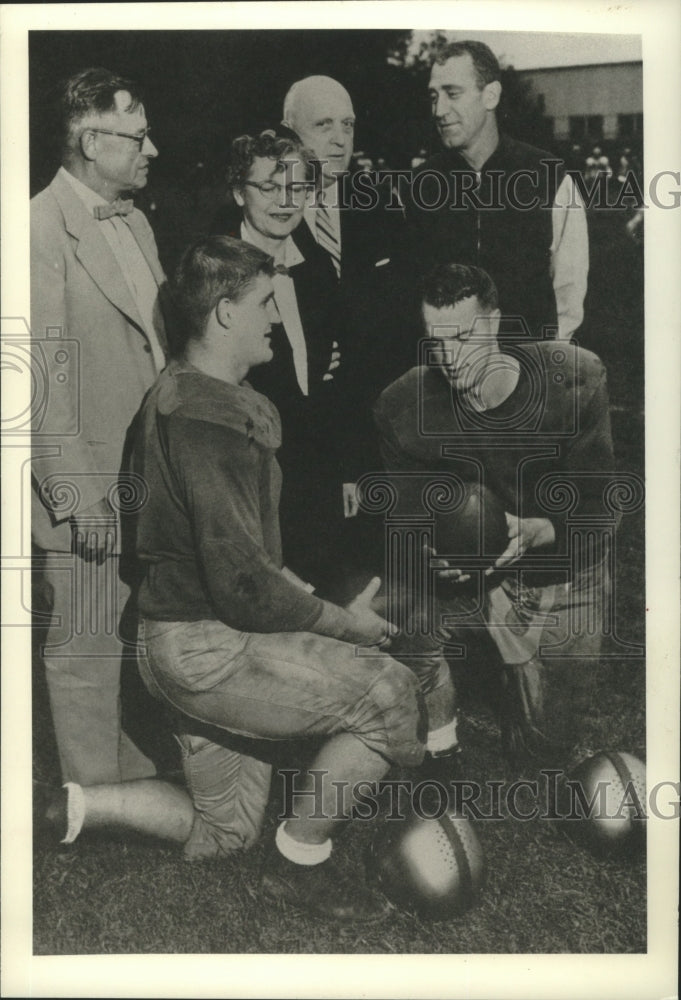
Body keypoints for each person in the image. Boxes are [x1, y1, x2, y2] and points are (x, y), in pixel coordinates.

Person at [36, 235, 431, 924]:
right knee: (391, 695)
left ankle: (73, 807)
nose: (275, 318)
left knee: (224, 834)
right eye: (263, 304)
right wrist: (345, 626)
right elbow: (243, 584)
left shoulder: (184, 394)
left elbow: (232, 556)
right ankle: (301, 865)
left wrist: (304, 597)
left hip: (173, 641)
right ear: (223, 314)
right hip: (209, 649)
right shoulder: (207, 416)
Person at [373, 263, 617, 774]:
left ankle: (517, 686)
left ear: (495, 322)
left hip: (562, 574)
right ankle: (441, 746)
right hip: (479, 575)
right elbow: (408, 519)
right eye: (435, 342)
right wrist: (434, 557)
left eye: (462, 338)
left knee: (539, 759)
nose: (449, 358)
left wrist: (537, 531)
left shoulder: (572, 379)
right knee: (395, 603)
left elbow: (601, 509)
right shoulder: (404, 403)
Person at [30, 67, 171, 785]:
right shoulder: (33, 227)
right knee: (84, 639)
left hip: (145, 472)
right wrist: (77, 495)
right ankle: (91, 795)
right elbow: (38, 376)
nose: (152, 151)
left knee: (132, 629)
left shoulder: (137, 221)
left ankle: (130, 764)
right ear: (91, 139)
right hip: (87, 480)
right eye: (138, 137)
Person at [215, 130, 349, 590]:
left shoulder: (314, 264)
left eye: (296, 188)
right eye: (269, 188)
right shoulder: (216, 272)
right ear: (238, 192)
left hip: (314, 477)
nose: (284, 201)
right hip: (248, 480)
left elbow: (332, 369)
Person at [405, 41, 588, 342]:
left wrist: (548, 360)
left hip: (528, 372)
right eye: (433, 96)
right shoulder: (419, 184)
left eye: (452, 94)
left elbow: (569, 291)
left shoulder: (548, 176)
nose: (439, 110)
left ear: (490, 95)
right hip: (444, 374)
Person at [282, 75, 415, 457]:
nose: (340, 139)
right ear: (289, 132)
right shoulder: (266, 211)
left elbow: (402, 316)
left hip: (375, 428)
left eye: (348, 124)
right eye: (323, 125)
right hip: (299, 433)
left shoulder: (380, 204)